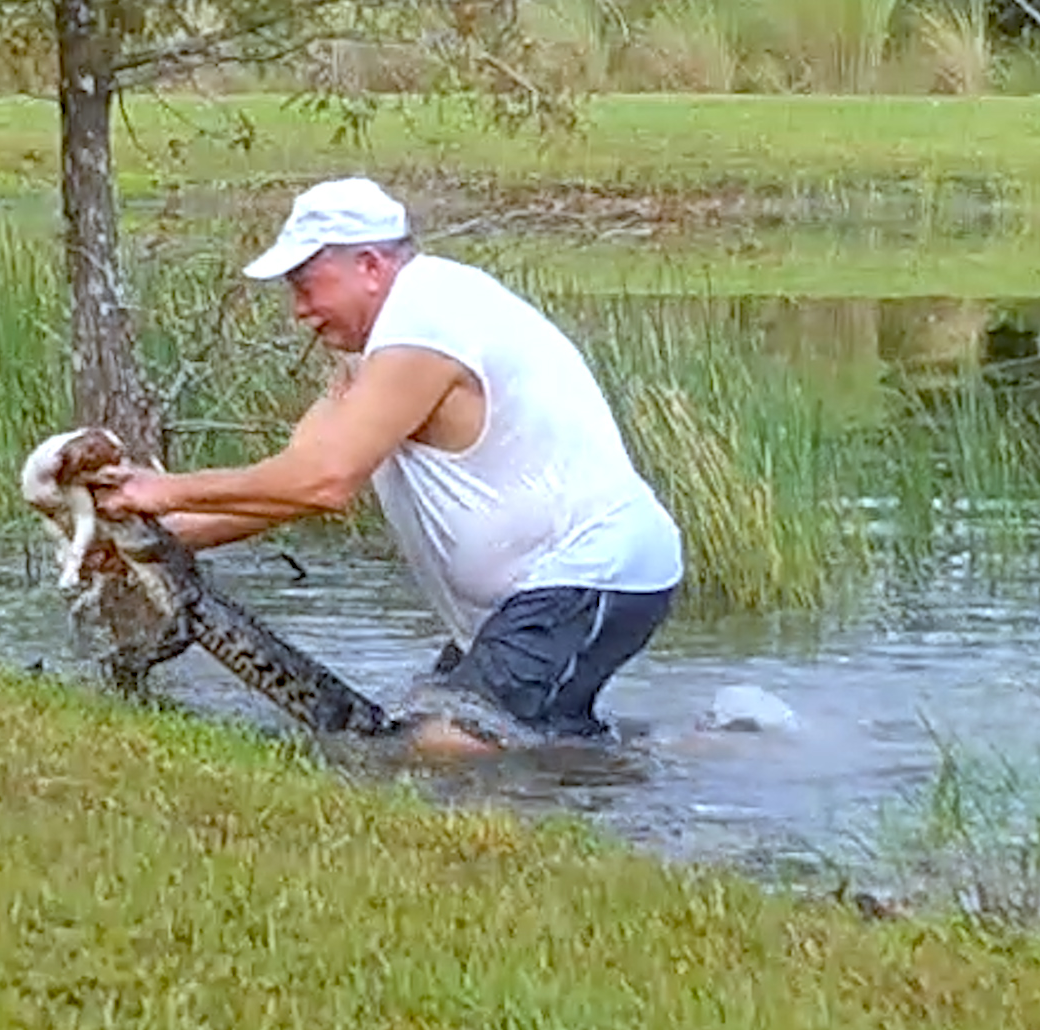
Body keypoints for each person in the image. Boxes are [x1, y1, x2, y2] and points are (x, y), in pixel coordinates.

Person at [94, 176, 682, 745]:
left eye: (306, 284)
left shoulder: (430, 319)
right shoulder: (373, 351)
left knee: (442, 752)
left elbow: (326, 482)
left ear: (371, 267)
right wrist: (158, 541)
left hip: (593, 572)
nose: (299, 310)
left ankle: (691, 769)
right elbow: (295, 479)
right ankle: (665, 756)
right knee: (463, 732)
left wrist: (162, 492)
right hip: (528, 593)